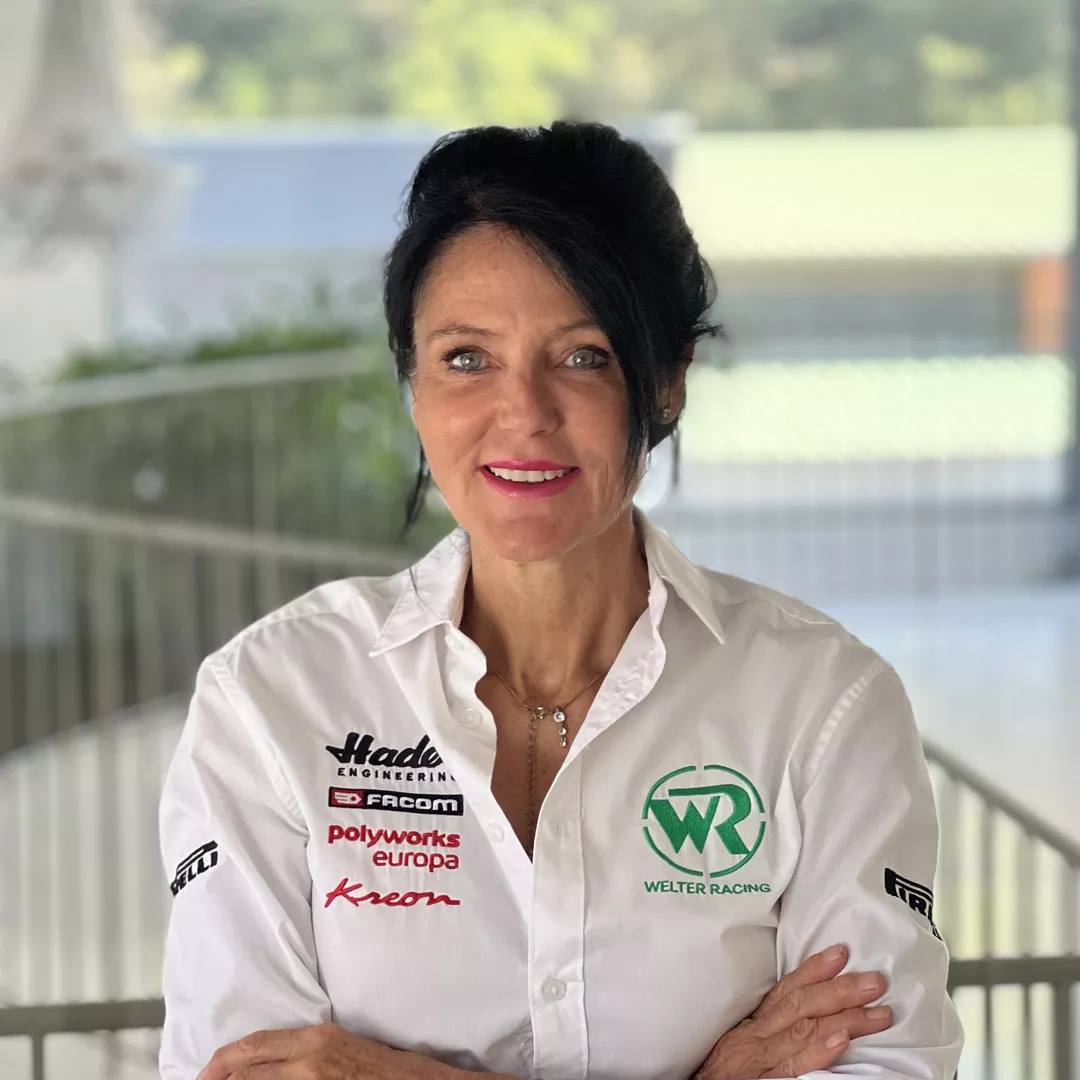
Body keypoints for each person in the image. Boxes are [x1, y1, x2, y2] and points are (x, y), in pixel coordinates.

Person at [158, 121, 963, 1080]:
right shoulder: (270, 700)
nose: (524, 414)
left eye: (584, 356)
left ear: (667, 382)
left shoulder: (820, 703)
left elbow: (885, 1066)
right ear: (412, 383)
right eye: (466, 358)